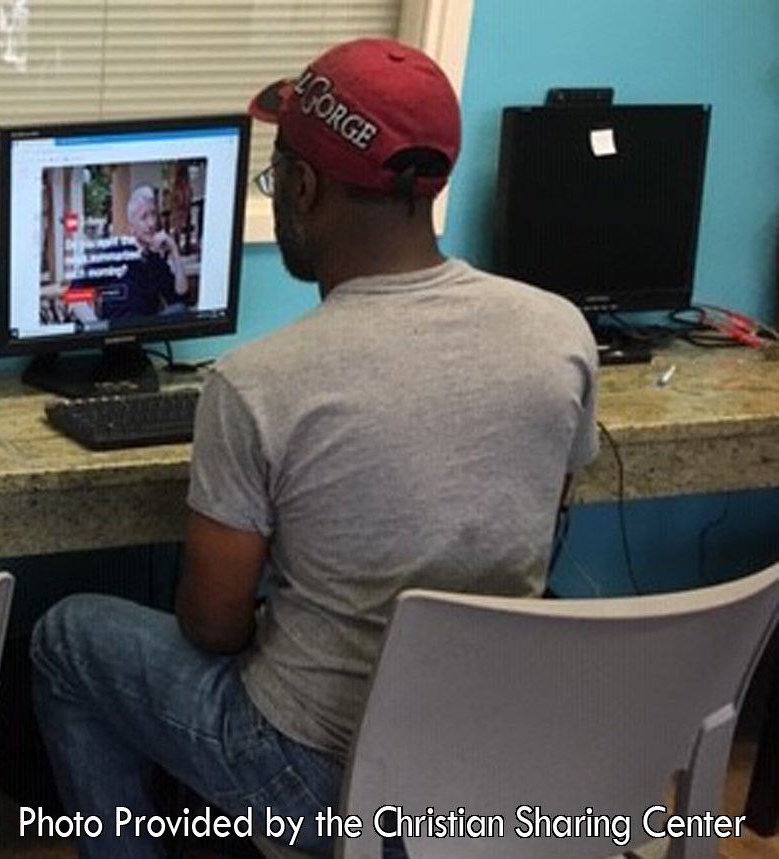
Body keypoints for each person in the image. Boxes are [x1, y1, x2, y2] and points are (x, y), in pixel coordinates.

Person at [31, 38, 598, 858]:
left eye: (273, 179)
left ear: (302, 187)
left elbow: (213, 627)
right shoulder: (561, 333)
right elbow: (531, 519)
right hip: (485, 755)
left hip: (315, 775)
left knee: (65, 637)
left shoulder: (260, 382)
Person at [99, 185, 189, 320]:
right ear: (132, 228)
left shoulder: (156, 262)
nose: (152, 223)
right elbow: (76, 292)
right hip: (115, 334)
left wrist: (174, 250)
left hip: (147, 333)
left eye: (154, 214)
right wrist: (94, 328)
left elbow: (180, 297)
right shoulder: (113, 253)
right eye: (144, 217)